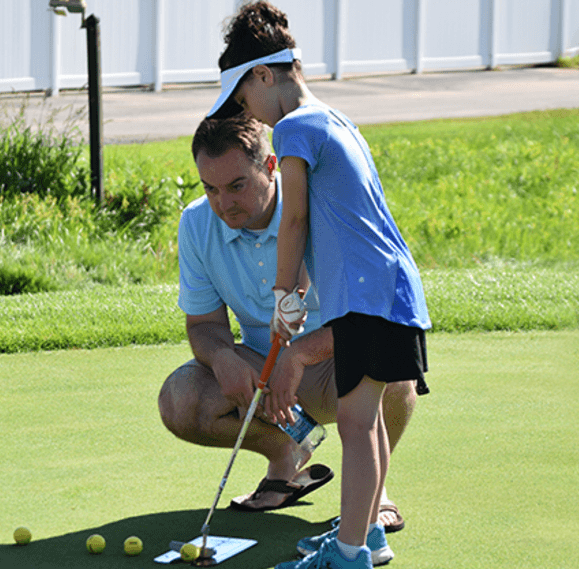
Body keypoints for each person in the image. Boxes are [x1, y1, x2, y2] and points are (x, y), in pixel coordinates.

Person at [205, 3, 431, 569]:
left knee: (356, 426)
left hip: (366, 295)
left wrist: (284, 301)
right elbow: (336, 223)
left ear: (263, 75)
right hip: (392, 288)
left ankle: (350, 558)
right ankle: (368, 534)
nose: (245, 114)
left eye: (242, 100)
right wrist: (299, 295)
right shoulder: (336, 119)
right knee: (369, 421)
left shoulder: (294, 127)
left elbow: (296, 221)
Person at [157, 114, 420, 539]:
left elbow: (374, 316)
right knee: (179, 398)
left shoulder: (325, 210)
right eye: (210, 189)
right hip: (263, 375)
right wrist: (222, 357)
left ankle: (374, 489)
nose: (223, 203)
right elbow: (204, 324)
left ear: (271, 167)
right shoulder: (197, 223)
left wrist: (301, 354)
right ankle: (287, 455)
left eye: (236, 186)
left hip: (338, 364)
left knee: (394, 372)